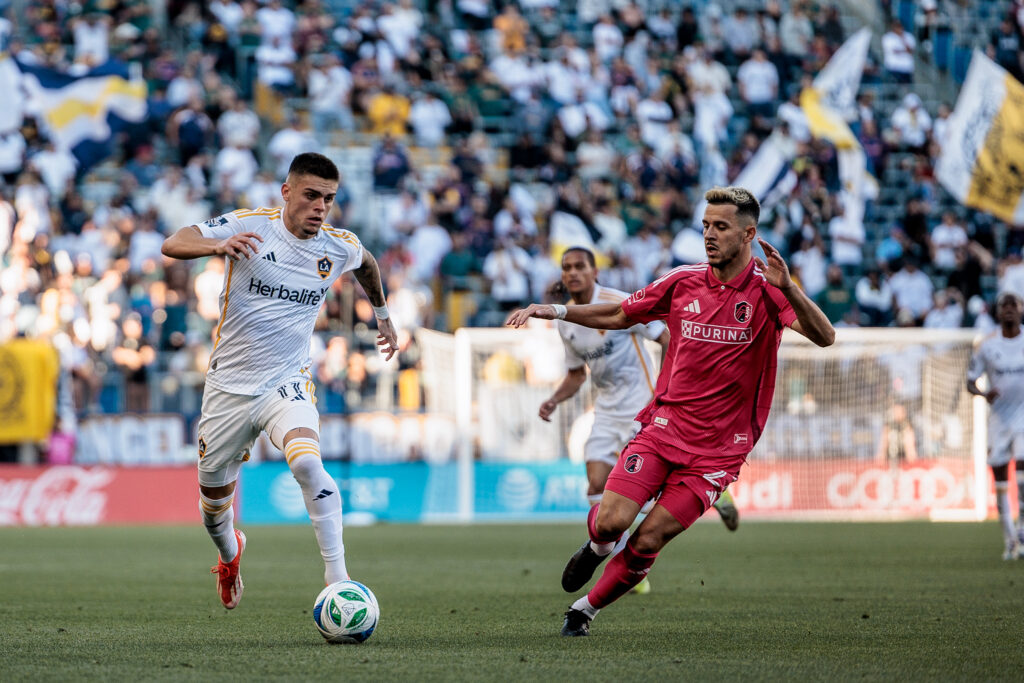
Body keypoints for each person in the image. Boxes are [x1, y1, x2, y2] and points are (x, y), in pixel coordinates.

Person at [507, 186, 835, 636]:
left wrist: (790, 289)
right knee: (611, 521)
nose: (709, 235)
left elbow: (825, 336)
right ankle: (597, 547)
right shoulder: (682, 281)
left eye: (721, 227)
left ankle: (582, 612)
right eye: (705, 225)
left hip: (717, 454)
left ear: (748, 234)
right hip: (662, 430)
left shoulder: (767, 292)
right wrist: (557, 310)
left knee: (648, 539)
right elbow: (622, 314)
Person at [161, 152, 399, 609]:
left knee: (308, 464)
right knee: (213, 511)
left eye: (328, 199)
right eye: (311, 195)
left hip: (286, 381)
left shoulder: (337, 245)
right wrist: (217, 247)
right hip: (229, 388)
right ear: (287, 192)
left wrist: (383, 315)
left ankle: (339, 584)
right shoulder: (251, 226)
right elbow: (175, 241)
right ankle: (231, 556)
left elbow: (367, 264)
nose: (320, 207)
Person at [542, 247, 741, 575]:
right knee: (596, 484)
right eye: (567, 267)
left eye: (580, 266)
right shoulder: (567, 322)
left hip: (642, 405)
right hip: (605, 411)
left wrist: (668, 389)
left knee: (646, 489)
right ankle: (622, 565)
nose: (573, 273)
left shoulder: (619, 301)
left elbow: (666, 338)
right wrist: (554, 399)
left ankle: (714, 493)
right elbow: (577, 374)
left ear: (595, 272)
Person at [966, 291, 1024, 561]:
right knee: (1000, 478)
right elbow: (970, 380)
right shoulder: (986, 345)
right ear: (998, 312)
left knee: (1022, 469)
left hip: (1023, 416)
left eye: (1014, 305)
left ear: (1021, 310)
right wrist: (982, 393)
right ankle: (1010, 540)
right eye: (1005, 305)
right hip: (998, 420)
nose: (1010, 309)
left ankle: (1022, 530)